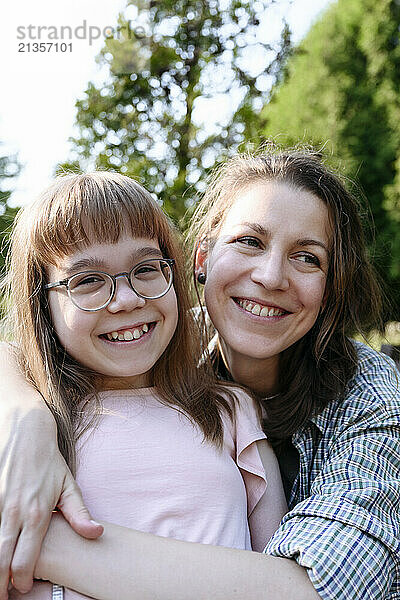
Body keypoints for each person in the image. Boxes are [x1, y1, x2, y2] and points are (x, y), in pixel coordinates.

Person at [0, 149, 399, 600]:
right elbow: (23, 350)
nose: (270, 277)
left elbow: (319, 587)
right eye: (249, 241)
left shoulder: (365, 393)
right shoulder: (144, 343)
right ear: (201, 259)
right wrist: (26, 416)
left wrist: (45, 544)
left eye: (307, 258)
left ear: (330, 288)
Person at [0, 171, 286, 600]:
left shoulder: (229, 410)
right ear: (43, 304)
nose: (128, 299)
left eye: (146, 268)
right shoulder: (31, 421)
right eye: (88, 281)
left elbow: (280, 572)